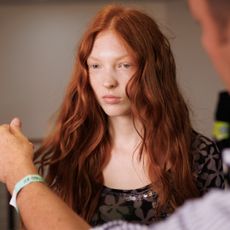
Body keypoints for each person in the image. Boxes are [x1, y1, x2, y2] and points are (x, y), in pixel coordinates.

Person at [0, 1, 228, 230]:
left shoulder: (199, 155)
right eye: (96, 66)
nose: (107, 82)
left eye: (124, 65)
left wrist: (20, 173)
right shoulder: (69, 154)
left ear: (153, 69)